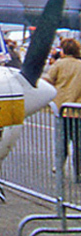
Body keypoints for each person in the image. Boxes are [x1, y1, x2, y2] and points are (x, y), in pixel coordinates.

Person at [45, 38, 81, 180]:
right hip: (78, 110)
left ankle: (59, 167)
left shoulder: (59, 64)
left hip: (61, 109)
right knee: (78, 143)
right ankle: (78, 171)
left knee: (62, 142)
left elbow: (48, 80)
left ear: (63, 51)